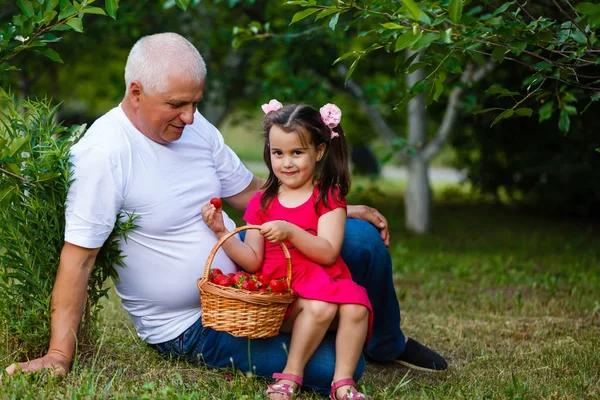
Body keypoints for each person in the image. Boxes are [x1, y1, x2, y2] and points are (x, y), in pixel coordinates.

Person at [4, 32, 447, 395]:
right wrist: (59, 354)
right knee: (332, 367)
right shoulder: (103, 154)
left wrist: (335, 209)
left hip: (257, 276)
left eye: (196, 102)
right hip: (193, 323)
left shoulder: (196, 131)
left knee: (361, 240)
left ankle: (387, 342)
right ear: (136, 93)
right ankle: (334, 326)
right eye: (177, 104)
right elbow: (78, 258)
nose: (191, 116)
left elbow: (255, 193)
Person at [202, 100, 372, 399]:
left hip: (322, 280)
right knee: (322, 306)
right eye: (278, 153)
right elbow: (252, 262)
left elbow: (329, 252)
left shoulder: (328, 196)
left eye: (297, 153)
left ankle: (343, 383)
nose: (286, 163)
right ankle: (290, 375)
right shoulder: (262, 201)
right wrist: (221, 231)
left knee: (357, 306)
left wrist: (290, 231)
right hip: (284, 293)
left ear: (319, 151)